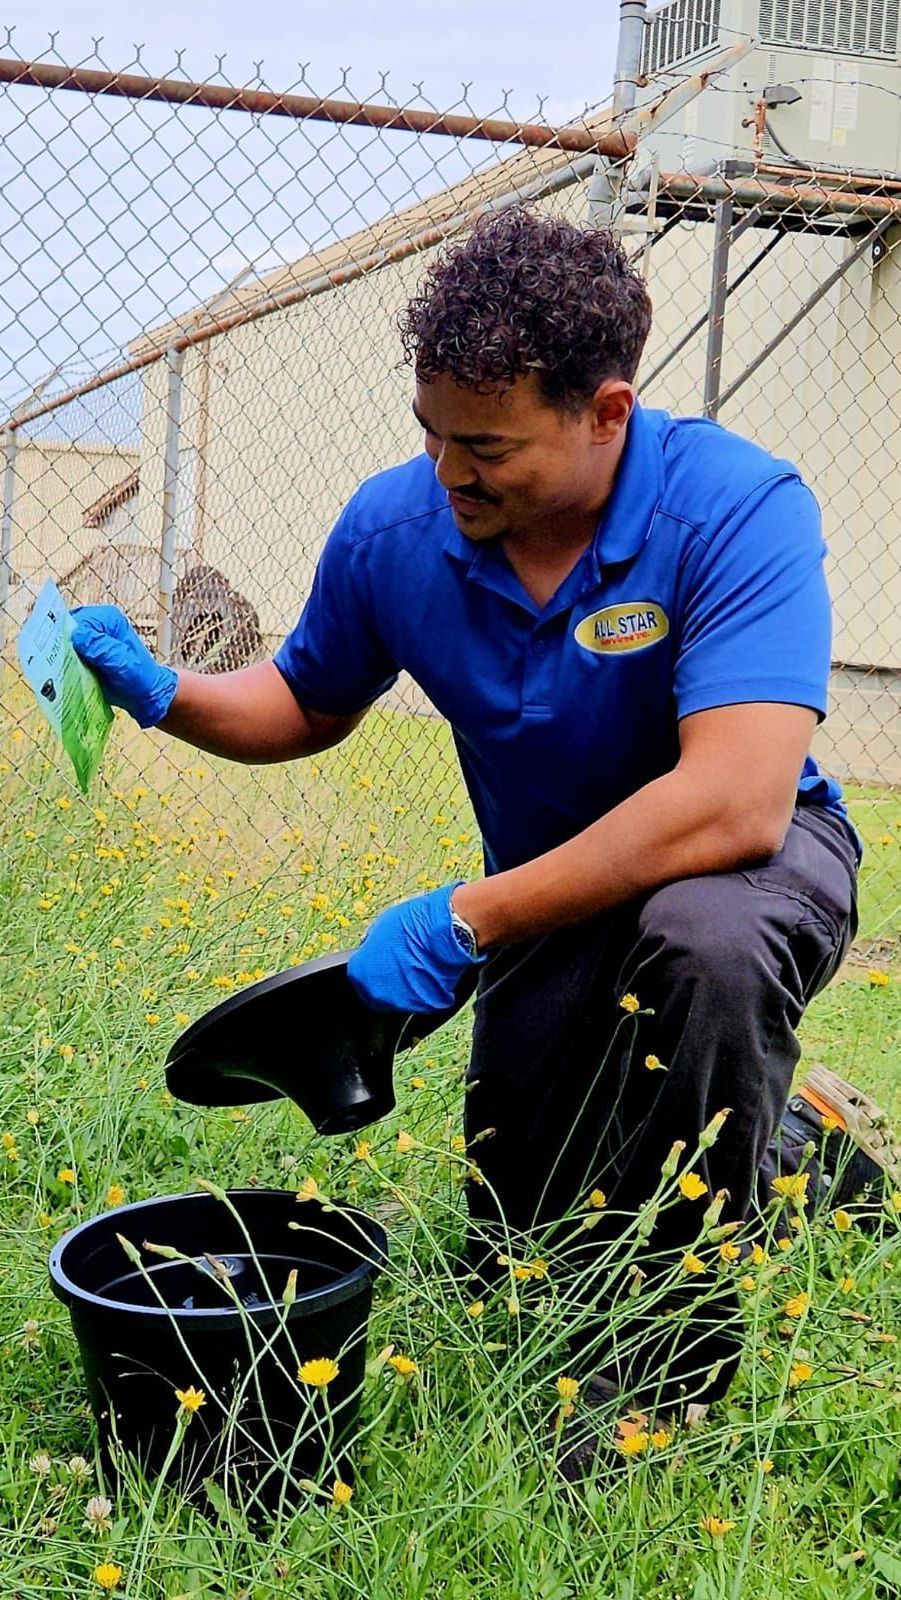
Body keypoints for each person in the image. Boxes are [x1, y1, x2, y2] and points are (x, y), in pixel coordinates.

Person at [72, 208, 866, 1466]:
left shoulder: (734, 508)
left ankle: (664, 1379)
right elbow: (305, 701)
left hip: (752, 869)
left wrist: (464, 919)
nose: (450, 471)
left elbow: (736, 801)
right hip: (557, 888)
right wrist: (163, 694)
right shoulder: (398, 533)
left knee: (701, 951)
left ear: (606, 413)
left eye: (486, 445)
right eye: (431, 433)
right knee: (519, 1255)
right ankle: (793, 1143)